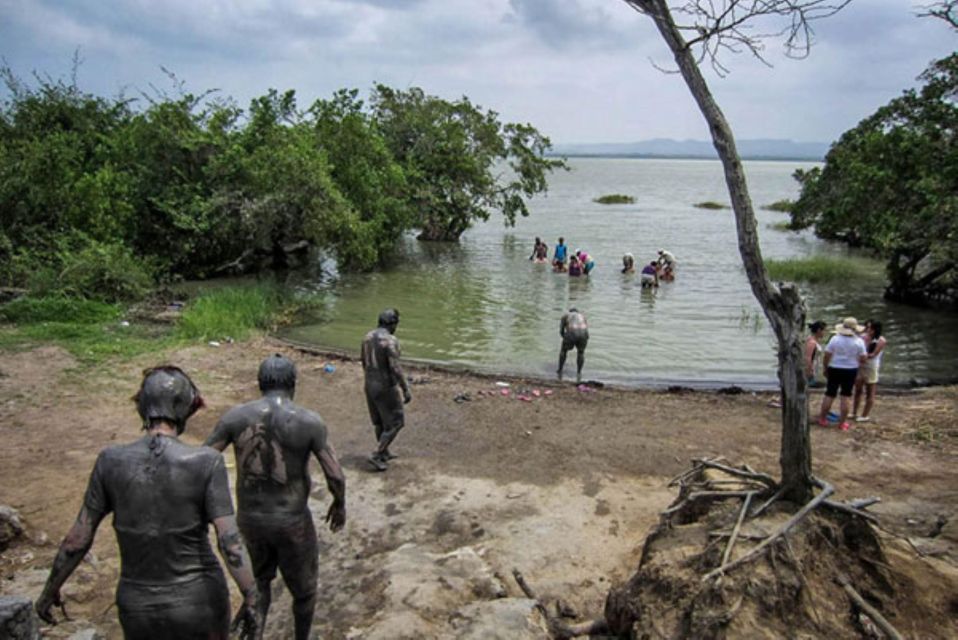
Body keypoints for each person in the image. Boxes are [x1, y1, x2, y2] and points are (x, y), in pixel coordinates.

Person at [36, 366, 263, 640]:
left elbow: (77, 540)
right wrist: (251, 597)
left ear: (141, 407)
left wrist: (50, 590)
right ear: (186, 408)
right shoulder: (206, 462)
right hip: (198, 602)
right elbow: (229, 541)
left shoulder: (110, 461)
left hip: (138, 606)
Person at [205, 354, 346, 640]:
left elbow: (203, 460)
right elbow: (335, 474)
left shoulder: (235, 417)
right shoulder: (309, 421)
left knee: (258, 585)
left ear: (260, 384)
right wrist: (339, 503)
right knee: (304, 593)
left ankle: (256, 634)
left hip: (250, 520)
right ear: (293, 384)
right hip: (291, 521)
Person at [362, 308, 412, 471]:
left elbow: (364, 361)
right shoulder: (390, 341)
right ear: (393, 324)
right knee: (397, 421)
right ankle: (377, 453)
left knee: (380, 422)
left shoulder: (367, 337)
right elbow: (395, 368)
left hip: (369, 383)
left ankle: (384, 452)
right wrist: (405, 388)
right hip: (385, 385)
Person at [817, 318, 867, 431]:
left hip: (835, 367)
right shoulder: (859, 341)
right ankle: (842, 423)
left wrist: (825, 368)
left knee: (830, 393)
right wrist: (856, 362)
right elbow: (863, 358)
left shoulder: (835, 339)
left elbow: (827, 355)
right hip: (850, 369)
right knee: (846, 395)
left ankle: (822, 418)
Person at [852, 320, 887, 422]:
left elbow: (873, 354)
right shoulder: (862, 337)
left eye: (870, 328)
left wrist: (862, 356)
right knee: (858, 389)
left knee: (870, 391)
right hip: (861, 365)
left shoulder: (881, 340)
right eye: (867, 327)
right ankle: (854, 412)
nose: (868, 330)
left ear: (875, 330)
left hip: (871, 366)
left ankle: (865, 415)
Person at [558, 308, 589, 382]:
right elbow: (586, 330)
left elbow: (561, 331)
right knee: (581, 353)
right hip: (584, 333)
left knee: (563, 351)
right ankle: (579, 372)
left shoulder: (566, 315)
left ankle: (560, 370)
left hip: (572, 331)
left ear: (570, 311)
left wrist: (566, 340)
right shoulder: (582, 316)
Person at [805, 320, 828, 387]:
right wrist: (809, 372)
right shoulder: (812, 343)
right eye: (824, 330)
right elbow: (808, 358)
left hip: (815, 369)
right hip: (811, 371)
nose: (825, 333)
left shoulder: (813, 340)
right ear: (819, 330)